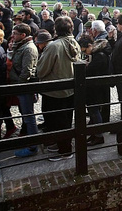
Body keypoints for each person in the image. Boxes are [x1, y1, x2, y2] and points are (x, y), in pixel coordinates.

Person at [37, 16, 81, 161]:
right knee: (66, 120)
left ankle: (60, 151)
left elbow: (41, 70)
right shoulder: (75, 43)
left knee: (54, 122)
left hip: (53, 91)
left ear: (56, 29)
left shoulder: (54, 46)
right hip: (70, 90)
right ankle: (65, 148)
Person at [77, 21, 111, 146]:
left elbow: (93, 70)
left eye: (85, 50)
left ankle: (98, 135)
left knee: (95, 111)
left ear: (90, 46)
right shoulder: (96, 54)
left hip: (96, 89)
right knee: (93, 111)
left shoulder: (100, 56)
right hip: (94, 88)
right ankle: (94, 133)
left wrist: (87, 66)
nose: (85, 53)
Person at [9, 24, 40, 158]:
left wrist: (19, 85)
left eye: (15, 33)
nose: (12, 36)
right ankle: (30, 141)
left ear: (23, 35)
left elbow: (26, 71)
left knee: (29, 116)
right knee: (26, 115)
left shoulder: (29, 48)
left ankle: (33, 146)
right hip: (21, 85)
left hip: (24, 86)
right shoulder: (22, 46)